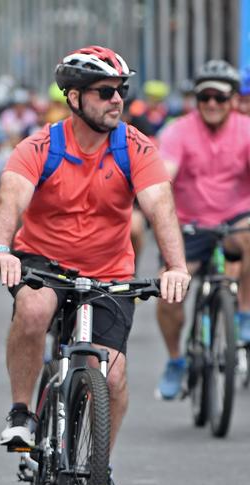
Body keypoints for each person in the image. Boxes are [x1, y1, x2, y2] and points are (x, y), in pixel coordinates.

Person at [0, 46, 189, 485]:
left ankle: (102, 465)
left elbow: (161, 207)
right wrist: (1, 250)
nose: (117, 99)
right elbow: (9, 200)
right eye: (105, 92)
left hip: (109, 272)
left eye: (121, 90)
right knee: (34, 311)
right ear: (74, 98)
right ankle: (22, 412)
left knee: (113, 377)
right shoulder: (40, 147)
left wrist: (175, 266)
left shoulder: (135, 146)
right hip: (43, 262)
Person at [154, 59, 250, 399]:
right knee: (169, 292)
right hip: (189, 225)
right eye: (204, 96)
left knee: (248, 236)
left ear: (233, 100)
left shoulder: (246, 129)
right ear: (196, 99)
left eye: (220, 98)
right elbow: (165, 171)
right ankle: (176, 361)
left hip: (236, 220)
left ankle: (242, 313)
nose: (211, 104)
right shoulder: (178, 131)